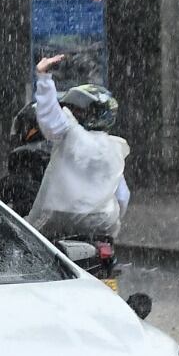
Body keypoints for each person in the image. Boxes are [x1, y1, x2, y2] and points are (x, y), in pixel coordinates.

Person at [25, 53, 130, 240]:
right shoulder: (115, 148)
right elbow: (123, 196)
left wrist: (43, 77)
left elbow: (50, 116)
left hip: (59, 218)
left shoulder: (71, 134)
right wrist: (115, 223)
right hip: (103, 222)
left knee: (29, 239)